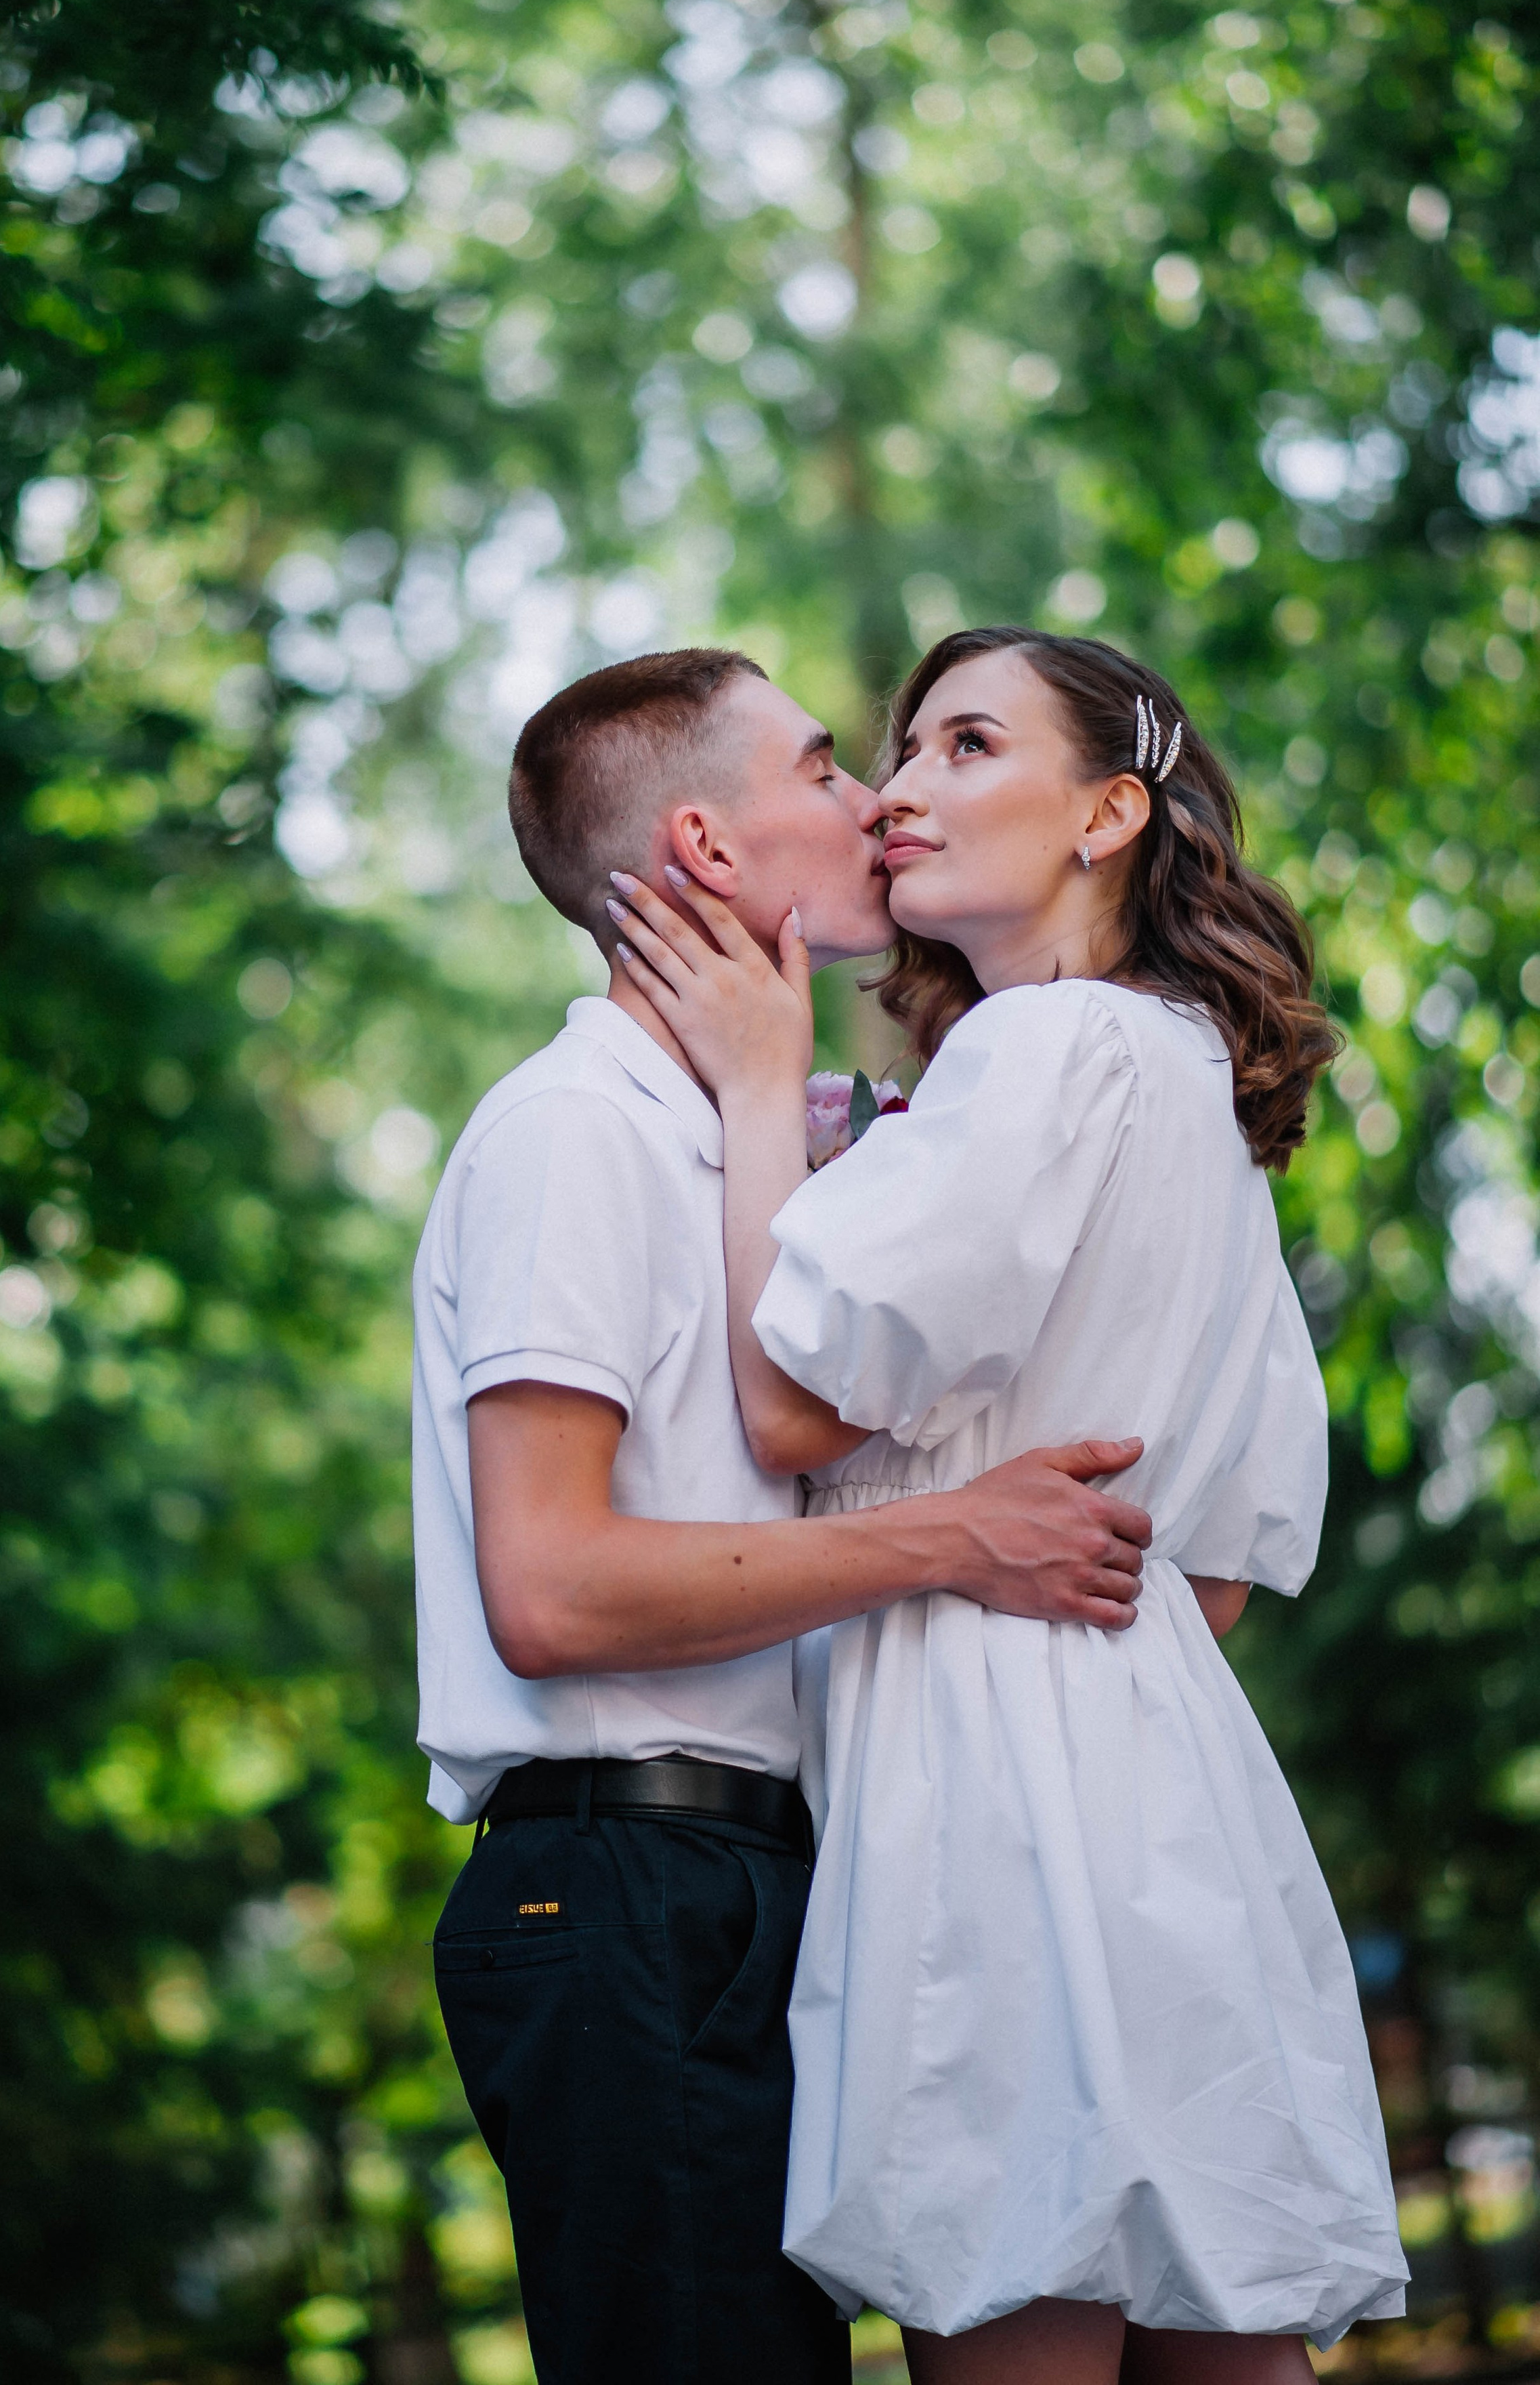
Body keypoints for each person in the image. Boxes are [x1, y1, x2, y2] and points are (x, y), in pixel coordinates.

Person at [609, 626, 1408, 2385]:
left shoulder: (1038, 1055)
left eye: (968, 745)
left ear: (1111, 811)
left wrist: (758, 1089)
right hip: (1171, 1784)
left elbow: (787, 1400)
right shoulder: (1192, 1083)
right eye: (899, 753)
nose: (900, 792)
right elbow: (1216, 1576)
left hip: (984, 1790)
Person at [411, 646, 1159, 2385]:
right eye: (825, 768)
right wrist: (954, 1534)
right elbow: (549, 1587)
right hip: (621, 1884)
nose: (872, 799)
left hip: (766, 1874)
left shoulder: (744, 1150)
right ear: (706, 846)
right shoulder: (568, 1137)